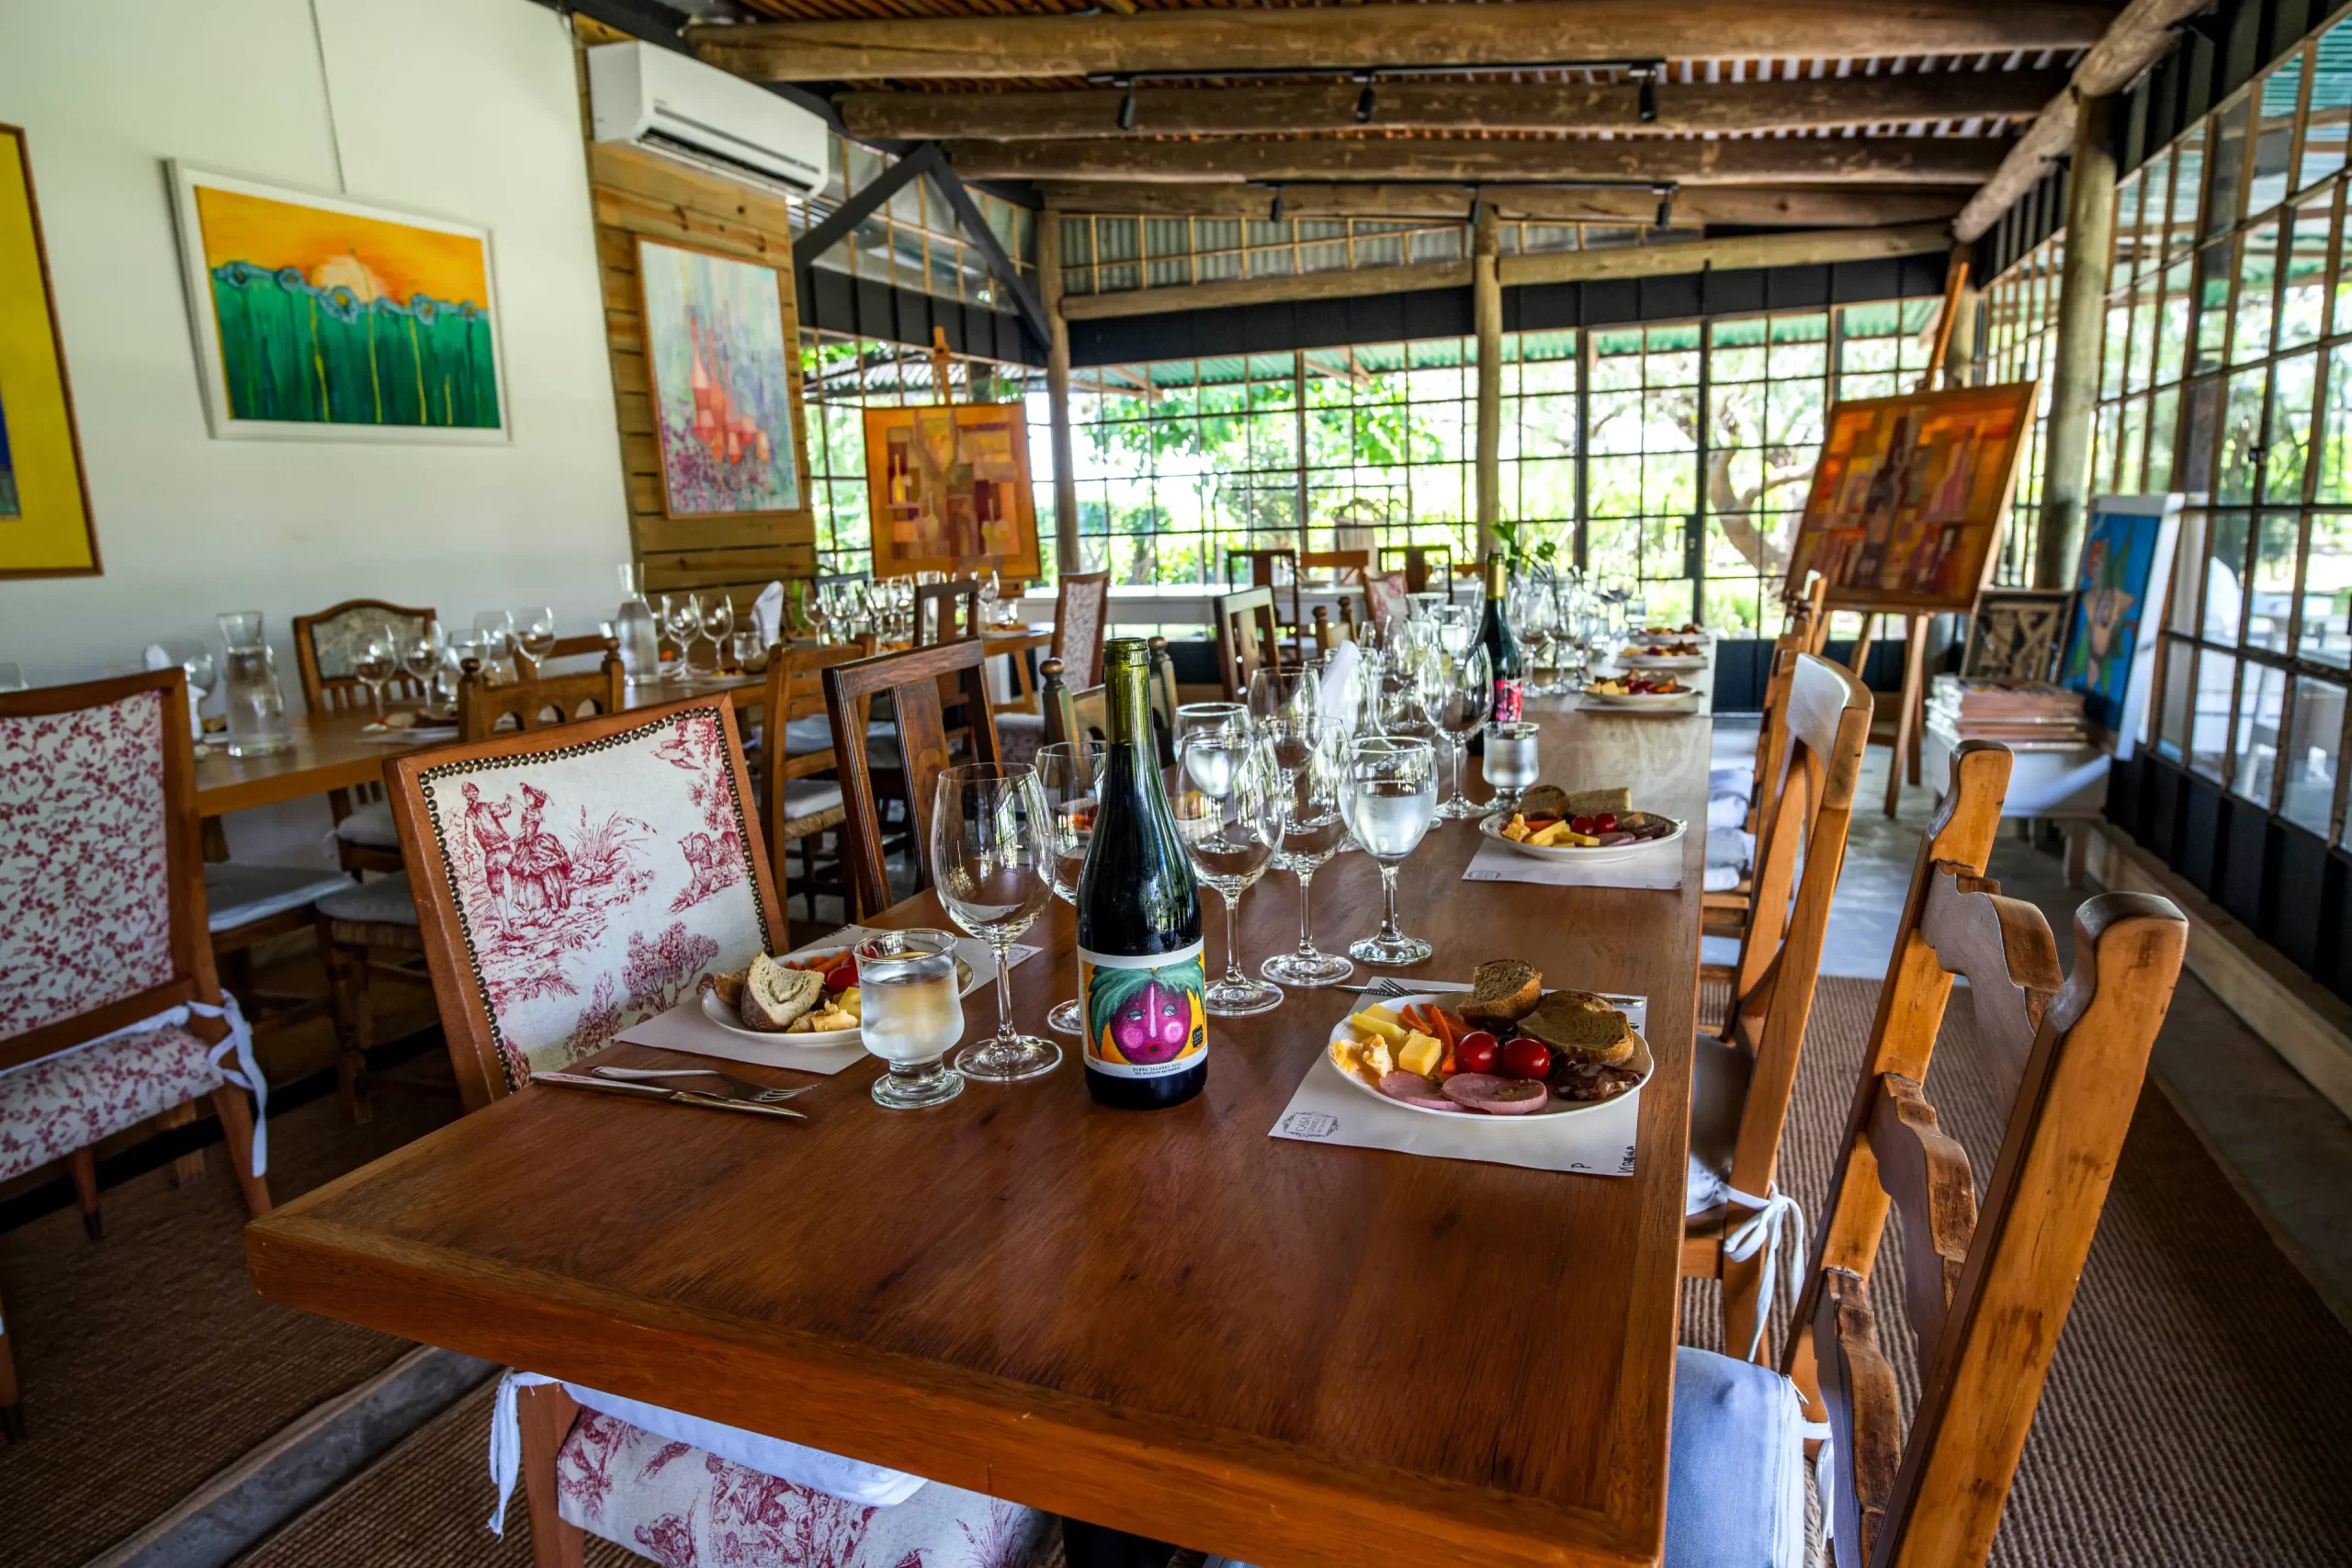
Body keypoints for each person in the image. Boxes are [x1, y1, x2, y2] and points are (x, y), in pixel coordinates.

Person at [506, 783, 574, 919]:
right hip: (526, 846)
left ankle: (553, 907)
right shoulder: (528, 811)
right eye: (525, 796)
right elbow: (524, 818)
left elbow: (529, 834)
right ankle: (536, 908)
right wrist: (515, 802)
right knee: (529, 877)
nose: (526, 798)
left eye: (529, 796)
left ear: (537, 800)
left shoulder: (535, 813)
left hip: (534, 846)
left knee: (545, 874)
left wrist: (517, 838)